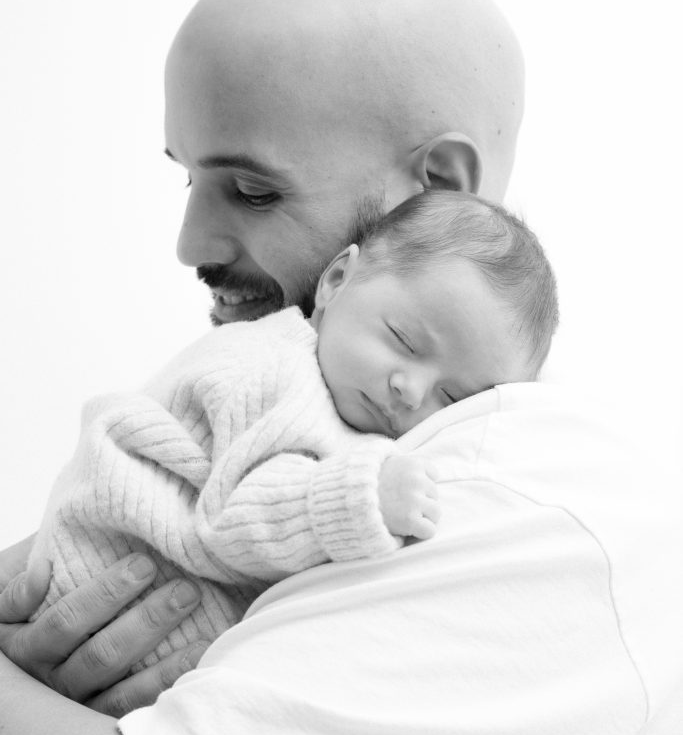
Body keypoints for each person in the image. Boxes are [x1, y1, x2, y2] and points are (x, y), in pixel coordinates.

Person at [0, 0, 681, 735]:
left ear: (435, 186)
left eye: (252, 188)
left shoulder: (529, 489)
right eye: (187, 177)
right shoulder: (292, 399)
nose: (189, 241)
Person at [30, 191, 557, 670]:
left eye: (454, 396)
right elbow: (232, 518)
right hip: (101, 580)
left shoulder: (352, 402)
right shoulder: (280, 370)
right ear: (336, 281)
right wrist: (362, 497)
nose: (412, 391)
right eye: (403, 339)